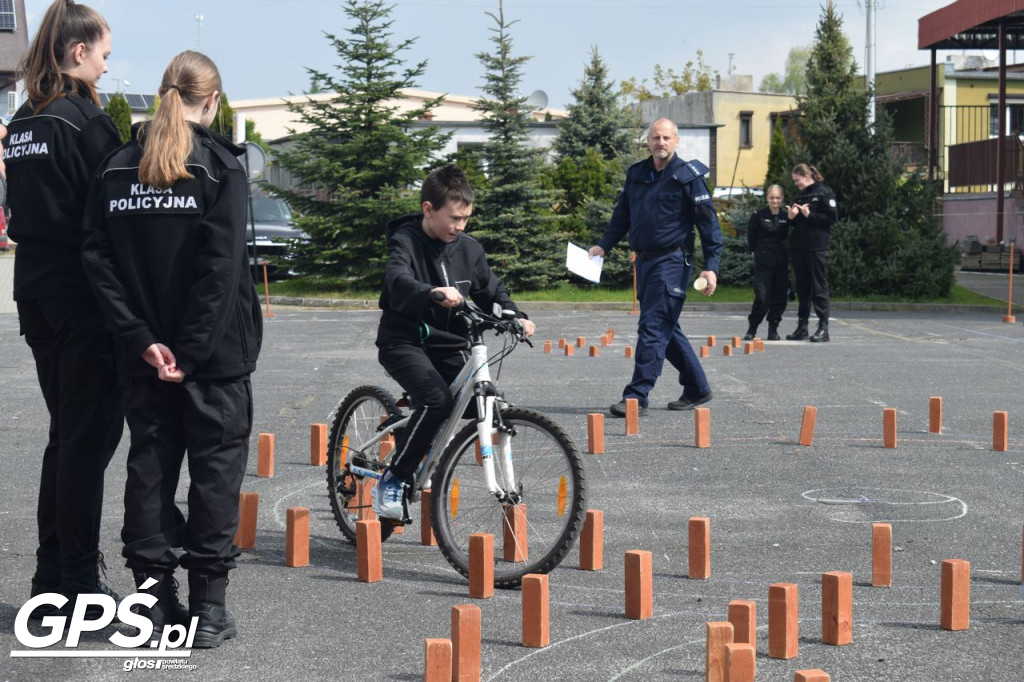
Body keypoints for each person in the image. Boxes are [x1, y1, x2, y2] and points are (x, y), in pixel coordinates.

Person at [82, 51, 261, 648]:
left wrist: (143, 342)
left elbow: (98, 263)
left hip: (145, 356)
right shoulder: (219, 168)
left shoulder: (115, 167)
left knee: (151, 468)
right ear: (212, 101)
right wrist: (189, 348)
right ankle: (209, 611)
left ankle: (153, 604)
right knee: (214, 473)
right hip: (212, 357)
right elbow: (219, 270)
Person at [4, 0, 123, 615]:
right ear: (78, 53)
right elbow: (112, 213)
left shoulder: (23, 120)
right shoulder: (85, 122)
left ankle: (53, 571)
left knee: (66, 436)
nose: (107, 66)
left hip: (35, 293)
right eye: (103, 54)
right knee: (88, 438)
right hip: (83, 296)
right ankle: (75, 577)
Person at [373, 164, 536, 520]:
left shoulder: (469, 249)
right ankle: (395, 477)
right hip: (405, 340)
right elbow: (398, 279)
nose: (460, 226)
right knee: (436, 400)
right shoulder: (406, 241)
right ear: (428, 209)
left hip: (450, 343)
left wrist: (515, 314)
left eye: (465, 219)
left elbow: (490, 289)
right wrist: (430, 292)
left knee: (491, 402)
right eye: (454, 218)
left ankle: (419, 443)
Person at [588, 118, 723, 416]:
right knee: (666, 326)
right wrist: (603, 245)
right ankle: (697, 387)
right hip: (646, 261)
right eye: (655, 138)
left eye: (666, 138)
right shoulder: (637, 173)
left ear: (676, 141)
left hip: (672, 261)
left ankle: (636, 397)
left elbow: (709, 225)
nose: (660, 143)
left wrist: (711, 266)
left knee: (651, 327)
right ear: (647, 141)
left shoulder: (688, 177)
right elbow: (622, 216)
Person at [785, 164, 837, 343]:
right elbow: (795, 223)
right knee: (803, 288)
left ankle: (823, 328)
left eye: (797, 180)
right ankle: (802, 327)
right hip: (800, 248)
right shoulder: (801, 195)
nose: (796, 184)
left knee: (819, 287)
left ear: (807, 176)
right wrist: (791, 218)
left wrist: (809, 215)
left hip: (816, 248)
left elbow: (831, 218)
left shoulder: (824, 193)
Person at [744, 185, 790, 341]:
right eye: (772, 198)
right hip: (763, 260)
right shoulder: (758, 215)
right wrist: (753, 250)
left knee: (779, 297)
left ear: (782, 199)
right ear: (767, 198)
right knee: (762, 296)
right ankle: (752, 328)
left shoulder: (786, 216)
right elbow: (751, 234)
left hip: (780, 261)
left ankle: (773, 329)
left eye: (777, 198)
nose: (775, 201)